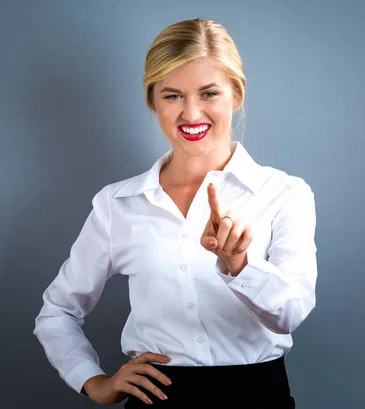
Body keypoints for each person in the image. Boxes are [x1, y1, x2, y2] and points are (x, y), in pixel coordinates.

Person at [33, 18, 317, 409]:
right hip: (159, 399)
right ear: (152, 100)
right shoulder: (117, 204)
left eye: (209, 93)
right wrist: (94, 381)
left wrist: (239, 265)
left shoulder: (284, 193)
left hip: (257, 396)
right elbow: (57, 312)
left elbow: (291, 313)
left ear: (236, 95)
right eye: (172, 96)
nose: (191, 113)